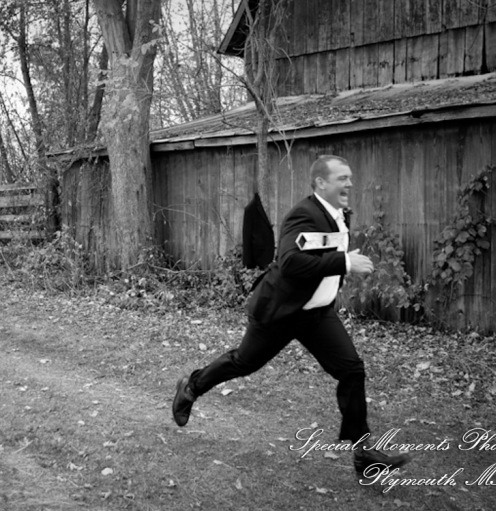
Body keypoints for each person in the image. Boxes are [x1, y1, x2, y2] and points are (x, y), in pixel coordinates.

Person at [170, 155, 411, 479]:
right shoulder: (303, 214)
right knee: (244, 362)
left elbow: (321, 256)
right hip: (280, 311)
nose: (349, 183)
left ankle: (364, 454)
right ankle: (192, 386)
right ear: (320, 183)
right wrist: (345, 263)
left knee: (352, 370)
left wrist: (340, 265)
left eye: (350, 177)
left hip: (316, 314)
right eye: (342, 178)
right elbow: (291, 263)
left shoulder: (339, 215)